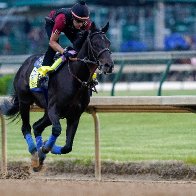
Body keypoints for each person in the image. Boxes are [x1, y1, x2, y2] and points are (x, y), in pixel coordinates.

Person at [37, 0, 92, 86]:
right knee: (53, 48)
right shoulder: (61, 19)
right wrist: (64, 52)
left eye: (83, 21)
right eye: (78, 21)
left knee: (80, 45)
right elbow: (52, 42)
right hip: (53, 22)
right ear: (73, 17)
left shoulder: (86, 23)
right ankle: (42, 75)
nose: (80, 25)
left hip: (68, 25)